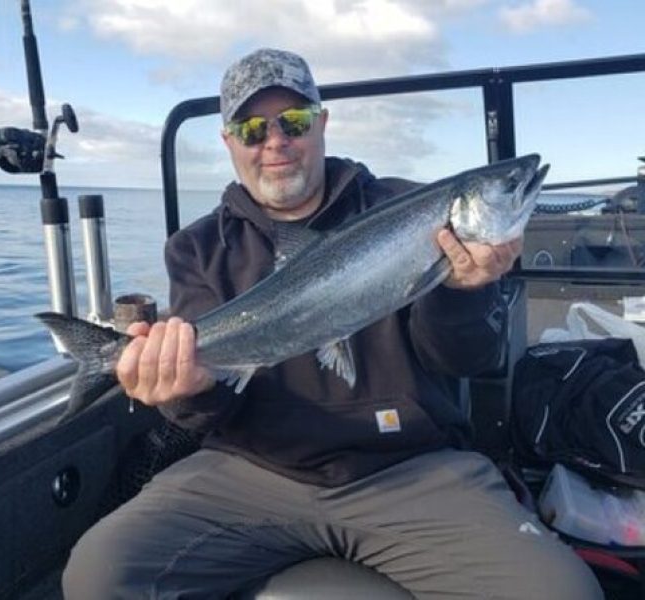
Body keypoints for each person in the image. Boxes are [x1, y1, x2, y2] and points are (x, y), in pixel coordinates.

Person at [62, 48, 602, 599]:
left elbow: (467, 362)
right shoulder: (198, 247)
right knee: (99, 574)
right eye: (251, 129)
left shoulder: (406, 206)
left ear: (321, 124)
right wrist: (187, 390)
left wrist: (466, 292)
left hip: (411, 468)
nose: (275, 141)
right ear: (229, 143)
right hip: (252, 470)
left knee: (563, 593)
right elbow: (204, 412)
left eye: (293, 122)